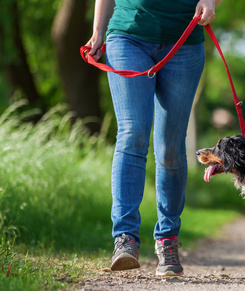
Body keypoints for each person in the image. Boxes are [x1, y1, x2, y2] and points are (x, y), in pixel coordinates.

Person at [85, 0, 222, 276]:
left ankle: (168, 240)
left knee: (170, 148)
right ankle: (125, 239)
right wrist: (98, 31)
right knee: (133, 133)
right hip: (128, 34)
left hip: (184, 41)